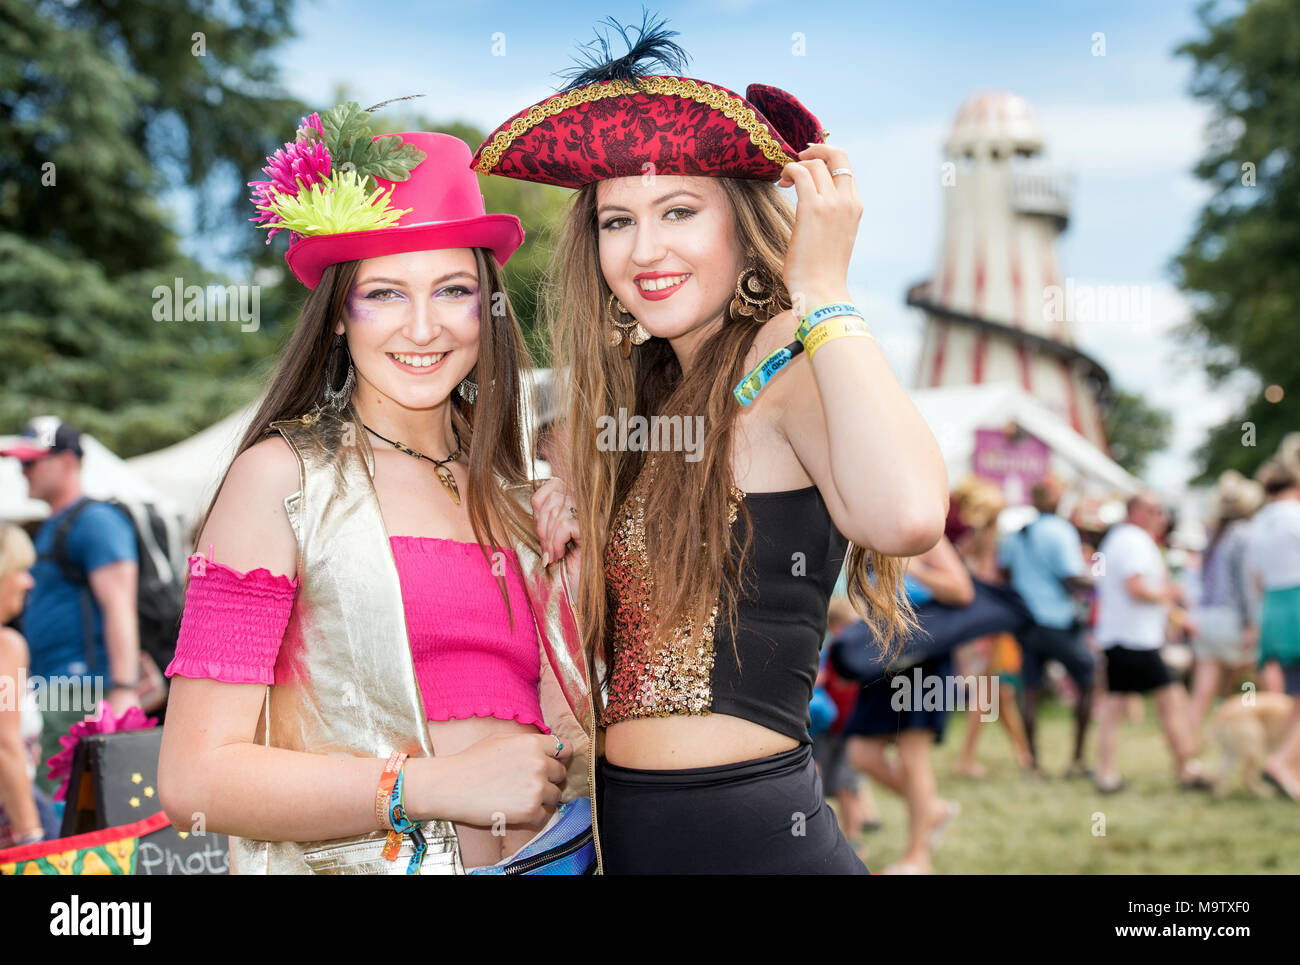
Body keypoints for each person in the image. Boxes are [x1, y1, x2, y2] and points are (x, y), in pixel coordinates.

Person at [478, 16, 947, 873]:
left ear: (741, 223)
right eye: (617, 222)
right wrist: (582, 511)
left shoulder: (787, 359)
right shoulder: (651, 404)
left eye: (680, 211)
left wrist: (822, 290)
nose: (645, 251)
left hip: (755, 839)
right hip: (634, 833)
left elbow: (907, 515)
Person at [157, 107, 597, 874]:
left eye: (454, 290)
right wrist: (425, 785)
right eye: (385, 293)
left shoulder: (521, 499)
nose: (423, 327)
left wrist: (575, 563)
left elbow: (579, 729)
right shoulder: (280, 479)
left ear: (488, 308)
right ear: (337, 317)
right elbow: (195, 779)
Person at [0, 418, 141, 793]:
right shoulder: (56, 524)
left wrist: (124, 689)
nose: (22, 471)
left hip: (83, 689)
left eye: (31, 463)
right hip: (57, 688)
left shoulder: (95, 520)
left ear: (66, 462)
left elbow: (119, 605)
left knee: (69, 807)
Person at [842, 535, 971, 874]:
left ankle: (918, 858)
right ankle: (932, 809)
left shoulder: (923, 536)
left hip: (925, 658)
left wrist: (914, 568)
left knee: (913, 757)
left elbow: (962, 590)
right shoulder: (863, 538)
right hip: (883, 658)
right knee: (861, 754)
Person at [1093, 491, 1210, 793]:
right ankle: (1186, 768)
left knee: (1116, 706)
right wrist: (1171, 593)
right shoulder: (1134, 541)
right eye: (1156, 510)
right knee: (1170, 701)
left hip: (1124, 636)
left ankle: (1107, 773)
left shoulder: (1120, 539)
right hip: (1136, 639)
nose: (1161, 517)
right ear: (1137, 511)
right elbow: (1136, 588)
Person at [997, 475, 1096, 777]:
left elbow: (1004, 571)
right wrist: (1098, 579)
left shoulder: (1019, 533)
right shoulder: (1060, 531)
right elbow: (1071, 576)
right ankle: (1077, 760)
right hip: (1057, 621)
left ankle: (1033, 764)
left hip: (1027, 624)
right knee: (1088, 681)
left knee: (1030, 691)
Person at [1186, 470, 1262, 738]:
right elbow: (1245, 583)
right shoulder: (1244, 534)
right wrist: (1251, 622)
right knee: (1267, 679)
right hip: (1231, 619)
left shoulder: (1214, 534)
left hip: (1205, 619)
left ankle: (1186, 753)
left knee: (1202, 693)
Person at [0, 524, 62, 847]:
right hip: (11, 817)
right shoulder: (6, 646)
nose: (29, 581)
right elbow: (5, 745)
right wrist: (30, 837)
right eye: (20, 569)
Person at [1242, 459, 1300, 800]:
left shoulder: (1258, 525)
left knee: (1292, 694)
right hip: (1296, 601)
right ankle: (1281, 761)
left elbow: (1256, 579)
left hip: (1273, 609)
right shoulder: (1295, 515)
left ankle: (1287, 763)